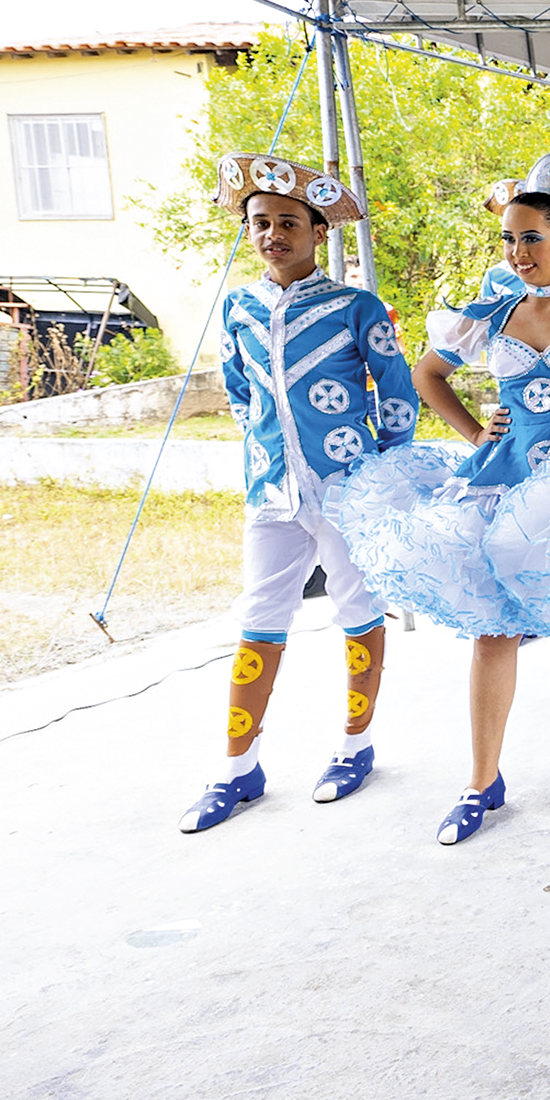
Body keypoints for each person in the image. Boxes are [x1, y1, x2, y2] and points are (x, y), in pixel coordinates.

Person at [327, 152, 550, 845]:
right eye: (509, 240)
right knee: (491, 627)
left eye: (531, 239)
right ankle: (482, 781)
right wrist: (473, 431)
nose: (518, 253)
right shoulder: (487, 314)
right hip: (506, 476)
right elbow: (428, 374)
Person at [178, 154, 418, 833]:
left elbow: (397, 395)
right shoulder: (238, 309)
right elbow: (239, 393)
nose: (272, 233)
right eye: (260, 222)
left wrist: (381, 475)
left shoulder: (355, 306)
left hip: (349, 490)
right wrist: (266, 455)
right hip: (272, 494)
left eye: (289, 221)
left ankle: (354, 745)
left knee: (358, 610)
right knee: (259, 619)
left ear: (318, 233)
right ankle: (236, 766)